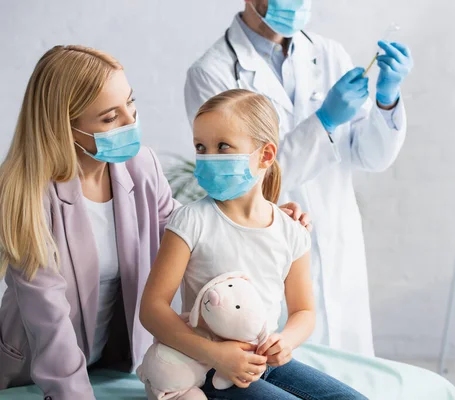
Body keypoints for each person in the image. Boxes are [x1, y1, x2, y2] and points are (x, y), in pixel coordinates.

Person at [0, 45, 309, 399]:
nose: (131, 123)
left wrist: (265, 219)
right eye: (109, 118)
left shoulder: (140, 166)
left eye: (131, 104)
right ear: (65, 127)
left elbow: (185, 225)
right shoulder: (26, 197)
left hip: (112, 360)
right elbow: (48, 320)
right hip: (35, 369)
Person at [184, 0, 414, 356]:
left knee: (348, 372)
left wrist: (387, 100)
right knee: (278, 365)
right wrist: (324, 121)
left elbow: (373, 157)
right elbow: (241, 178)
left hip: (336, 238)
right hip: (265, 247)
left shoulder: (329, 54)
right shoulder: (212, 72)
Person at [140, 88, 366, 400]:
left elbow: (303, 311)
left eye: (223, 147)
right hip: (207, 366)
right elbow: (152, 309)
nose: (208, 158)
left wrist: (285, 341)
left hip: (267, 360)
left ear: (266, 155)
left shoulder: (291, 230)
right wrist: (216, 355)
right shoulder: (191, 221)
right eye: (201, 147)